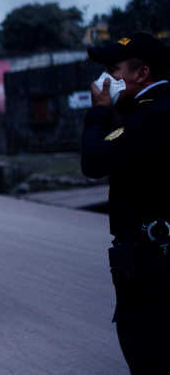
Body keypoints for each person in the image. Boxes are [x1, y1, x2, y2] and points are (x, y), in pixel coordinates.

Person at [81, 32, 170, 373]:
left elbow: (94, 161)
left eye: (113, 70)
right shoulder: (145, 112)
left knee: (146, 350)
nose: (105, 80)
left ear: (141, 74)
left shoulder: (152, 117)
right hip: (151, 254)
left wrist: (99, 113)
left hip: (152, 262)